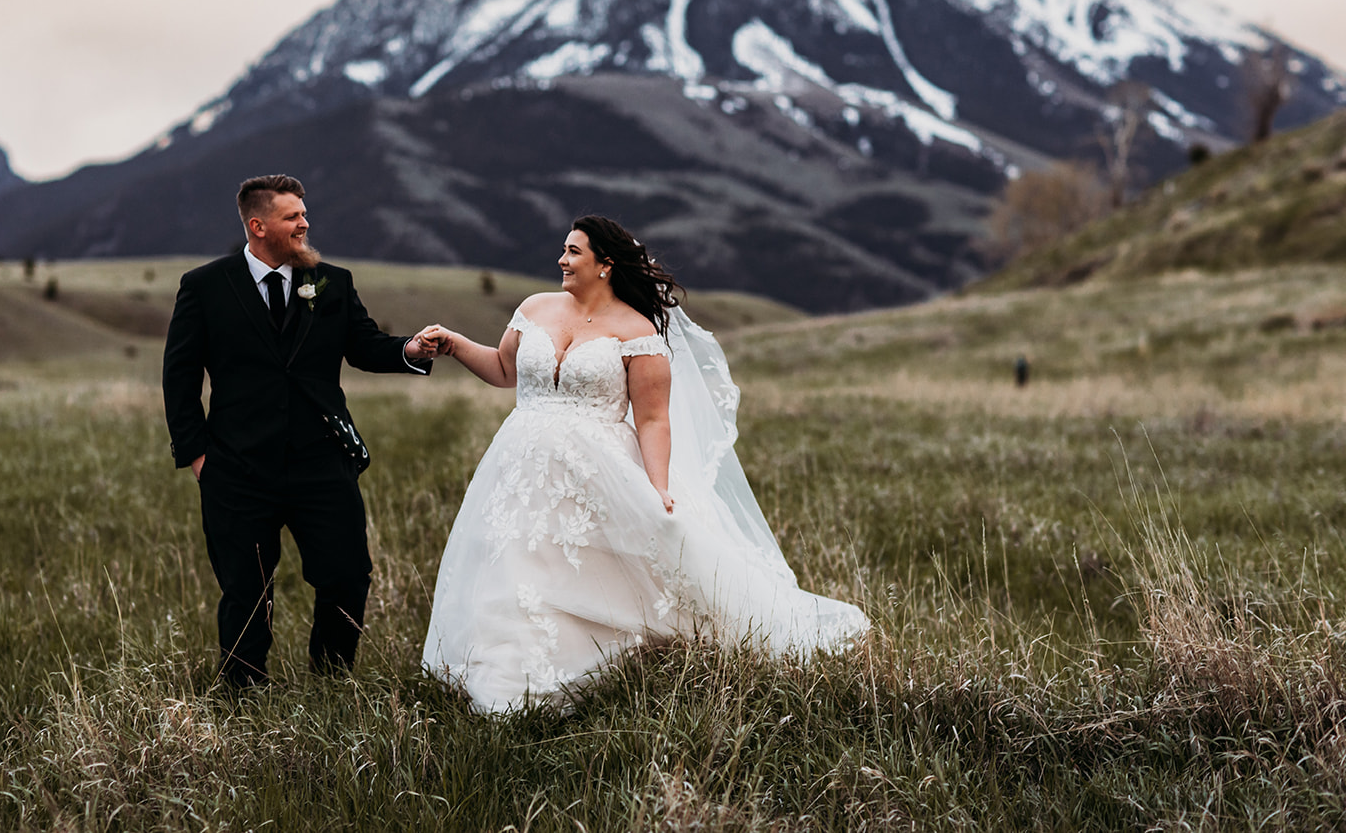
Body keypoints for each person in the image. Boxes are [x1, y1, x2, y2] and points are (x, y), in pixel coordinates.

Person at [419, 215, 869, 712]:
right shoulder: (534, 308)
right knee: (513, 563)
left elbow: (653, 420)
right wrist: (455, 345)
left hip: (596, 471)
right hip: (520, 466)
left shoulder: (637, 332)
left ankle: (589, 663)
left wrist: (658, 487)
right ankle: (508, 676)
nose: (561, 260)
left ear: (605, 265)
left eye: (573, 252)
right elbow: (505, 370)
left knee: (585, 567)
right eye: (563, 250)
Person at [162, 174, 441, 687]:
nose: (305, 224)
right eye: (292, 216)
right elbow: (179, 376)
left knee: (348, 575)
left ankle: (331, 681)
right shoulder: (204, 286)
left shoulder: (332, 281)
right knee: (246, 589)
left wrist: (410, 349)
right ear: (258, 225)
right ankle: (243, 691)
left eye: (304, 214)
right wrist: (198, 456)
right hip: (237, 466)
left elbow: (364, 346)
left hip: (323, 461)